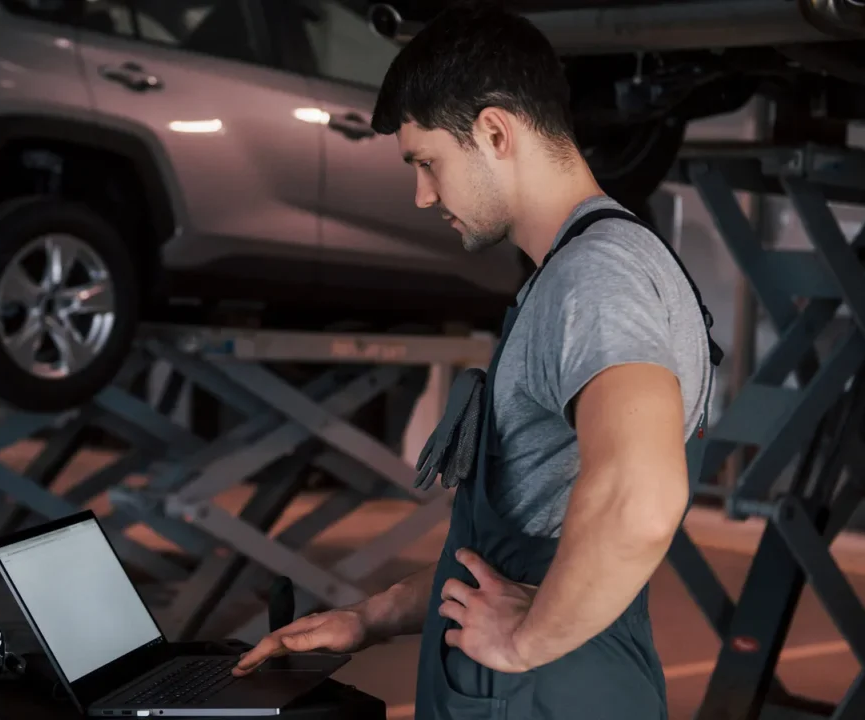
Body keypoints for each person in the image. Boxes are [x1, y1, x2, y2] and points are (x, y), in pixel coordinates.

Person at [232, 1, 721, 718]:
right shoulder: (592, 270)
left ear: (495, 132)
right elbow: (514, 561)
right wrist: (370, 618)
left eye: (427, 162)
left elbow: (639, 500)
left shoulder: (595, 281)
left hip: (541, 694)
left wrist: (525, 642)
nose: (423, 194)